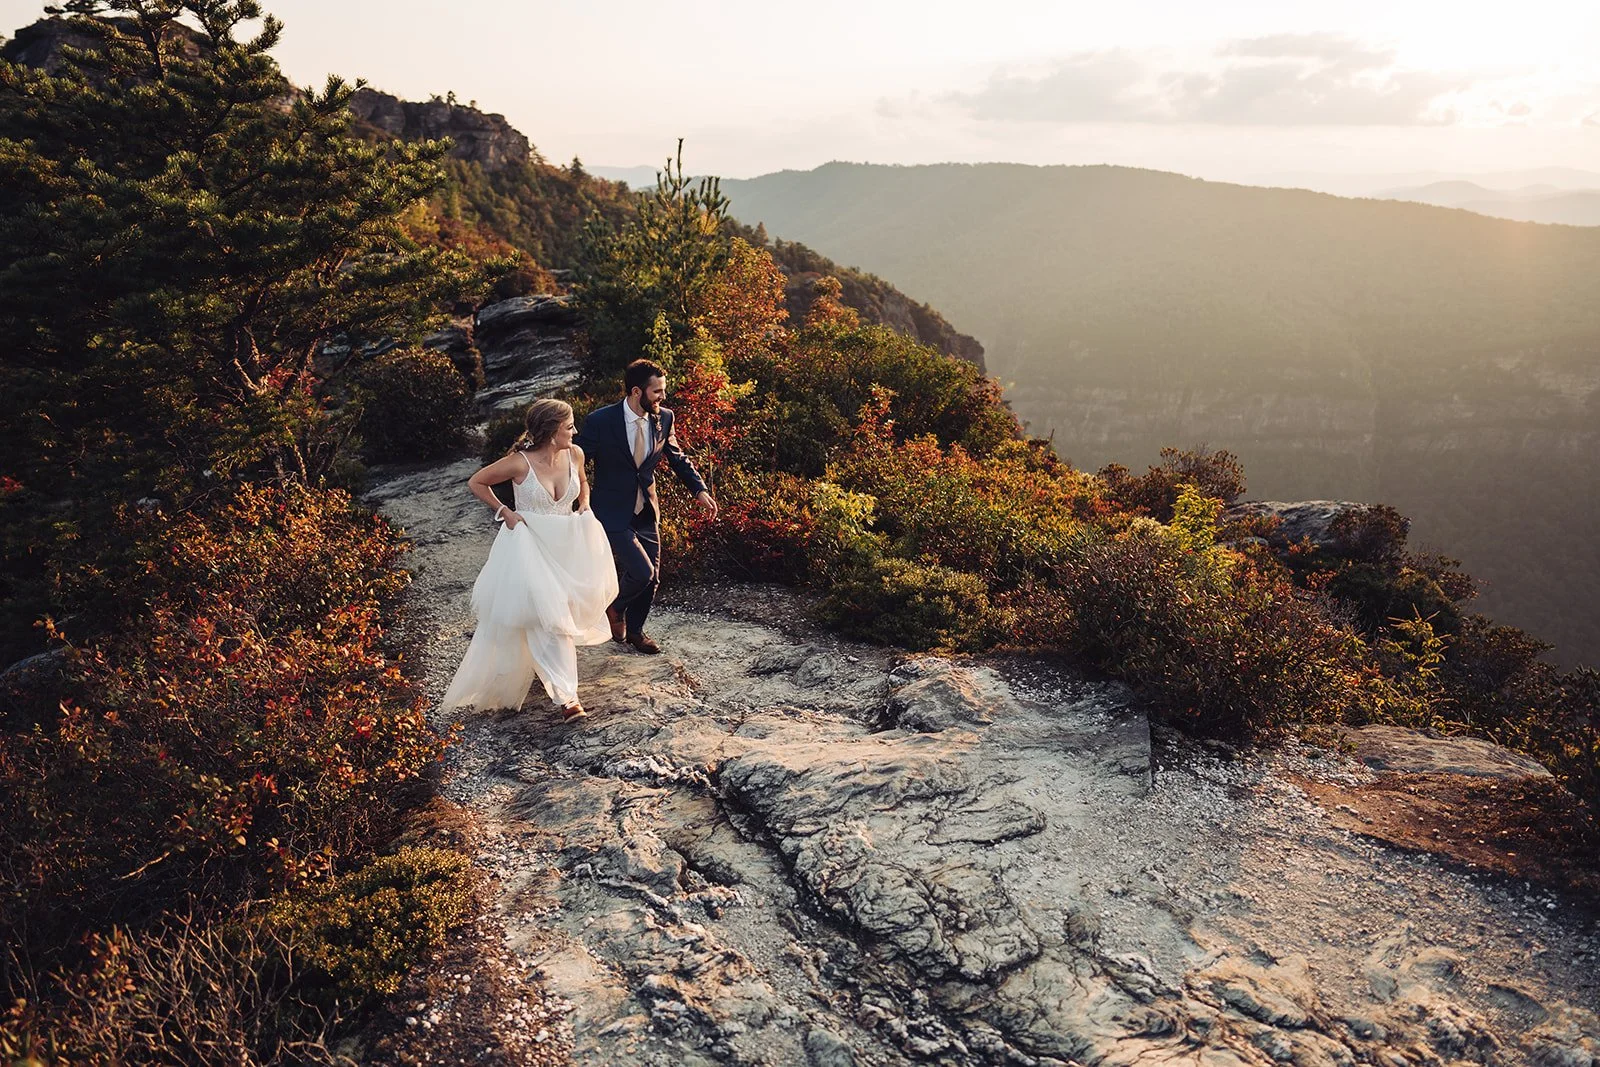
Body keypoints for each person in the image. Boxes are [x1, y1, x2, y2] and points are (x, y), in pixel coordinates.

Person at [440, 399, 618, 720]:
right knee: (551, 618)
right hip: (528, 546)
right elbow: (476, 482)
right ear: (551, 432)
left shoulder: (574, 454)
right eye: (569, 427)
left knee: (558, 612)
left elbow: (584, 482)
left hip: (566, 545)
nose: (575, 431)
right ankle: (568, 698)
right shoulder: (519, 463)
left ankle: (538, 670)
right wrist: (504, 511)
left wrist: (585, 504)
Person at [574, 359, 717, 654]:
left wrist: (699, 490)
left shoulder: (664, 417)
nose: (662, 397)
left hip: (646, 510)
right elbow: (577, 461)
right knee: (642, 572)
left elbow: (677, 458)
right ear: (637, 391)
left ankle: (636, 633)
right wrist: (570, 495)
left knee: (653, 578)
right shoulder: (600, 421)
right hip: (611, 511)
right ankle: (615, 608)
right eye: (657, 392)